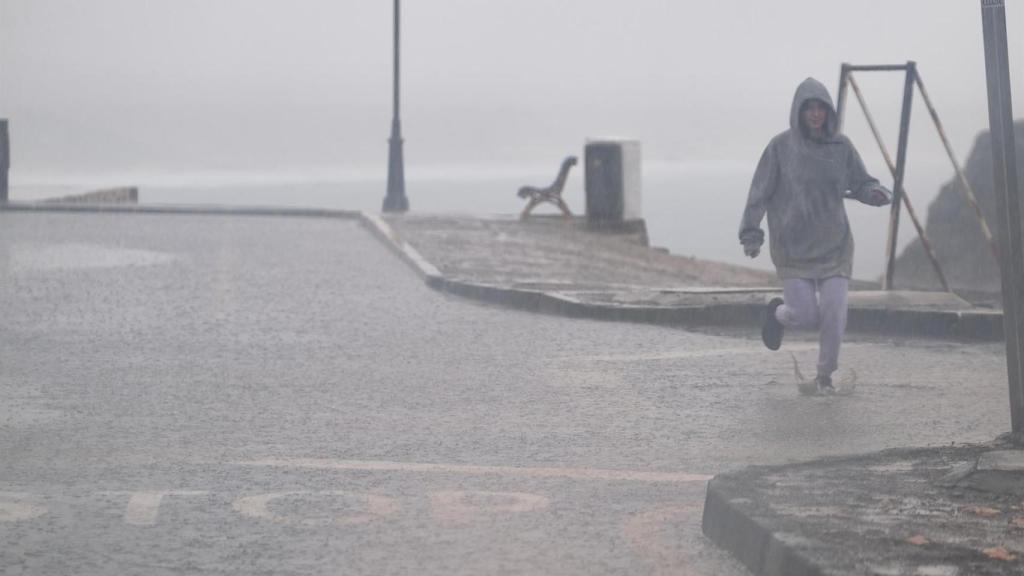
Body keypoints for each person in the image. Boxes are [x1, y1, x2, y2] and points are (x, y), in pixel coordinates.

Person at [739, 77, 892, 394]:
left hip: (835, 247)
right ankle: (778, 313)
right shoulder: (780, 147)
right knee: (806, 316)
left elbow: (862, 182)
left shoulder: (841, 146)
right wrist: (751, 234)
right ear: (798, 110)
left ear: (828, 111)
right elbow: (759, 192)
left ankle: (825, 377)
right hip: (793, 249)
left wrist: (874, 192)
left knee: (835, 314)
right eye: (808, 107)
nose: (815, 113)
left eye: (820, 107)